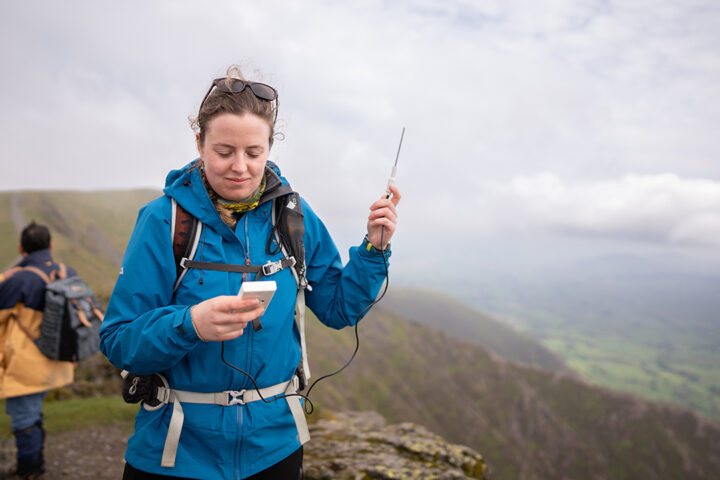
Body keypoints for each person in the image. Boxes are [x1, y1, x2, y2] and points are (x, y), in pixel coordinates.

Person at [99, 65, 401, 480]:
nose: (240, 166)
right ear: (200, 142)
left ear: (269, 148)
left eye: (254, 153)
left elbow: (338, 308)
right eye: (224, 151)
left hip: (274, 450)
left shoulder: (293, 215)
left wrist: (374, 248)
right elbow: (119, 341)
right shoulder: (163, 221)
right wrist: (190, 325)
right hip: (176, 454)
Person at [0, 222, 77, 479]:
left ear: (21, 248)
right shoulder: (68, 272)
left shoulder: (17, 279)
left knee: (23, 418)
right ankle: (35, 464)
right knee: (32, 412)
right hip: (59, 359)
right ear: (50, 245)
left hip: (27, 364)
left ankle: (29, 471)